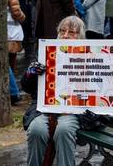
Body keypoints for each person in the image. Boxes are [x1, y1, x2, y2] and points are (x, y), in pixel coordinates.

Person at [22, 16, 85, 166]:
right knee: (36, 129)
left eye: (71, 32)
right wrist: (30, 74)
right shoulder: (46, 53)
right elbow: (27, 87)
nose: (65, 35)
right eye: (62, 31)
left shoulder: (90, 56)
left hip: (75, 111)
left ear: (80, 36)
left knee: (64, 130)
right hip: (45, 108)